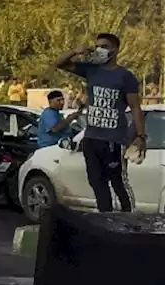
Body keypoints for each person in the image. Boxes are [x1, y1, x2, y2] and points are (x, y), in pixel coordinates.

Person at [56, 33, 147, 212]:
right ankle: (105, 217)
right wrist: (75, 51)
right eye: (97, 46)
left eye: (104, 46)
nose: (99, 49)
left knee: (118, 182)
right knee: (97, 182)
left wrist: (140, 136)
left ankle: (128, 220)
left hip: (113, 139)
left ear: (115, 50)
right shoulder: (91, 70)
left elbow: (135, 107)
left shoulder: (125, 76)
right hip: (91, 138)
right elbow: (60, 64)